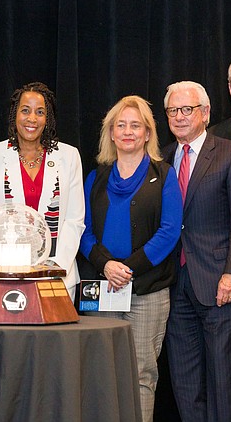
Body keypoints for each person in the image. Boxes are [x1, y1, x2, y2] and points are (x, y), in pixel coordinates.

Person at [79, 95, 182, 422]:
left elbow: (169, 232)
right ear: (110, 133)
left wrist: (128, 269)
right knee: (100, 375)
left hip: (148, 292)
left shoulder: (165, 175)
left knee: (140, 375)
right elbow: (82, 230)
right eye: (120, 125)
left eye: (135, 125)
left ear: (148, 133)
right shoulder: (96, 177)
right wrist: (105, 265)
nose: (127, 131)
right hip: (101, 288)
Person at [162, 81, 231, 421]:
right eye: (173, 111)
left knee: (222, 379)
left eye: (188, 109)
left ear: (205, 113)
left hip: (218, 282)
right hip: (174, 281)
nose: (180, 117)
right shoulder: (164, 158)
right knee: (185, 380)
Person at [0, 82, 85, 299]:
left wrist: (55, 266)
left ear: (48, 118)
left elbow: (74, 221)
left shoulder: (69, 156)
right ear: (15, 114)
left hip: (57, 277)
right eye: (25, 110)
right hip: (5, 276)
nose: (32, 119)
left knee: (55, 334)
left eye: (40, 112)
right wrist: (9, 269)